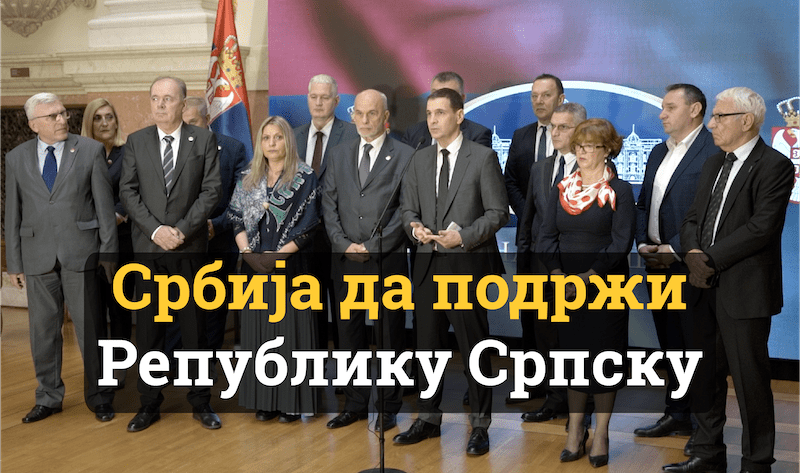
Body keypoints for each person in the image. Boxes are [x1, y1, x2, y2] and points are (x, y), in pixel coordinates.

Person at [664, 88, 795, 473]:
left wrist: (709, 259)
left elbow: (761, 228)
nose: (712, 124)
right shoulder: (712, 164)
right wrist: (693, 255)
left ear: (746, 121)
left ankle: (756, 462)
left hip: (744, 292)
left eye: (720, 116)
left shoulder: (774, 165)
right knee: (705, 375)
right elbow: (692, 219)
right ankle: (707, 452)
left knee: (750, 381)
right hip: (701, 285)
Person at [396, 87, 509, 456]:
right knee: (427, 348)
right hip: (427, 266)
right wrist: (414, 227)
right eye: (429, 113)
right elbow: (408, 209)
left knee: (473, 348)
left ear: (459, 116)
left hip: (466, 266)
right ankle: (428, 419)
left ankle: (480, 425)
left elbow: (498, 213)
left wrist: (464, 236)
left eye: (440, 113)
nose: (432, 120)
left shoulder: (483, 157)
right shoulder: (418, 158)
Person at [5, 92, 118, 423]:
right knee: (42, 333)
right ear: (34, 125)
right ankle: (48, 396)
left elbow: (105, 210)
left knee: (91, 331)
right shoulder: (16, 158)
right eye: (52, 116)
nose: (61, 119)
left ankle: (100, 397)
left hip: (82, 255)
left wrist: (108, 255)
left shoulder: (89, 151)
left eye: (62, 113)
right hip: (36, 256)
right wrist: (14, 263)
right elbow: (13, 213)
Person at [119, 76, 221, 432]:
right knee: (149, 331)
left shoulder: (203, 140)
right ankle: (149, 403)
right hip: (149, 250)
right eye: (155, 98)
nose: (160, 105)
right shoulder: (136, 141)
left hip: (188, 248)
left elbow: (211, 191)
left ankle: (201, 401)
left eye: (168, 98)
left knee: (195, 330)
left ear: (183, 103)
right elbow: (128, 192)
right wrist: (156, 231)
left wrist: (180, 230)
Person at [536, 118, 635, 468]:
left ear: (607, 150)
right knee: (573, 358)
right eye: (579, 146)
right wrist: (558, 274)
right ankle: (576, 429)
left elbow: (621, 241)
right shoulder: (561, 188)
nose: (582, 152)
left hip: (606, 287)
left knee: (603, 360)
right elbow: (546, 236)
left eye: (591, 146)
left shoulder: (620, 191)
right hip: (566, 287)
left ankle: (602, 433)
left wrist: (590, 275)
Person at [322, 89, 414, 431]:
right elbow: (328, 204)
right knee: (349, 336)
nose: (363, 119)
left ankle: (388, 406)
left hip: (386, 260)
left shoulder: (405, 155)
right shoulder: (339, 153)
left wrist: (373, 245)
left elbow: (406, 210)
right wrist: (342, 243)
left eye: (371, 113)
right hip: (345, 261)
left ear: (385, 117)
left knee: (389, 336)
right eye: (358, 113)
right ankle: (355, 404)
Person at [633, 84, 719, 452]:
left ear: (695, 110)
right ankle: (677, 413)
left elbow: (713, 213)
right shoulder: (657, 151)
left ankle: (703, 428)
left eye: (670, 107)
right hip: (656, 265)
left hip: (689, 266)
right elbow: (642, 205)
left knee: (696, 348)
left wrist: (675, 248)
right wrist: (643, 242)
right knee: (670, 345)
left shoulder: (713, 151)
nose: (661, 114)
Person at [227, 115, 321, 423]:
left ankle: (291, 403)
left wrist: (276, 257)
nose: (271, 143)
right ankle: (264, 400)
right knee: (260, 336)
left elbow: (309, 225)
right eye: (266, 138)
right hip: (254, 268)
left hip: (291, 267)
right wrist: (248, 254)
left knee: (290, 336)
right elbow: (236, 219)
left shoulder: (304, 176)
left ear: (287, 141)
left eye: (277, 137)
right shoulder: (248, 177)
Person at [516, 102, 585, 421]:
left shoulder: (595, 167)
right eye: (553, 126)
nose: (554, 132)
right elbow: (529, 220)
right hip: (540, 268)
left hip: (578, 271)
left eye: (563, 127)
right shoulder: (540, 167)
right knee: (546, 337)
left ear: (580, 130)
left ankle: (582, 404)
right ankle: (554, 399)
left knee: (577, 338)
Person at [163, 96, 249, 352]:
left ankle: (206, 362)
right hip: (180, 243)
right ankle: (173, 363)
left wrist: (217, 225)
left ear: (207, 118)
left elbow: (241, 199)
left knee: (213, 308)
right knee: (177, 304)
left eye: (192, 122)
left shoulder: (232, 149)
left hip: (218, 243)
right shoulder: (169, 149)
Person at [294, 74, 358, 350]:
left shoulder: (353, 135)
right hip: (304, 241)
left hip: (341, 237)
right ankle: (315, 368)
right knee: (311, 311)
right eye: (313, 97)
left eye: (324, 97)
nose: (318, 103)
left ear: (337, 100)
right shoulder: (292, 136)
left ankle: (348, 370)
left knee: (347, 313)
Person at [81, 98, 133, 344]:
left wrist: (113, 218)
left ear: (116, 122)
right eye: (97, 118)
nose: (104, 123)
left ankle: (120, 360)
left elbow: (134, 190)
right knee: (94, 309)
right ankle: (99, 361)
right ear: (89, 123)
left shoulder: (129, 152)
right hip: (89, 241)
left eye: (109, 117)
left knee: (120, 306)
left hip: (122, 239)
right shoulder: (78, 155)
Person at [505, 74, 566, 220]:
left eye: (546, 95)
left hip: (566, 225)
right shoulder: (520, 136)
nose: (539, 101)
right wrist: (528, 216)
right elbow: (510, 182)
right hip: (528, 226)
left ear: (560, 99)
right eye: (534, 96)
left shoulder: (576, 136)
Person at [401, 71, 492, 148]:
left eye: (448, 95)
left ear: (462, 99)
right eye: (435, 94)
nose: (440, 100)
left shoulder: (477, 135)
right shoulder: (413, 134)